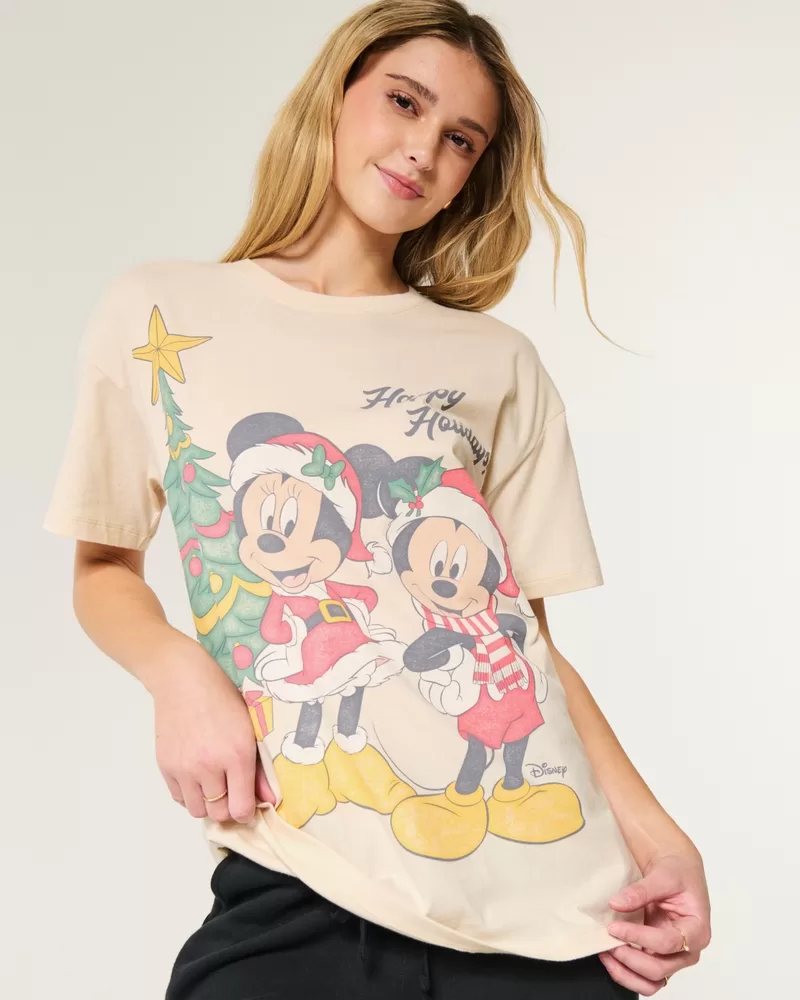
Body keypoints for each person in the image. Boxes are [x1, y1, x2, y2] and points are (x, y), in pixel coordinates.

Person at [42, 2, 711, 998]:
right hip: (297, 886)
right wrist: (178, 674)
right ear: (337, 92)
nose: (423, 150)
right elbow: (102, 566)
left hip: (549, 925)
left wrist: (661, 841)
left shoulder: (496, 362)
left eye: (461, 139)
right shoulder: (162, 310)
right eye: (404, 102)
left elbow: (526, 640)